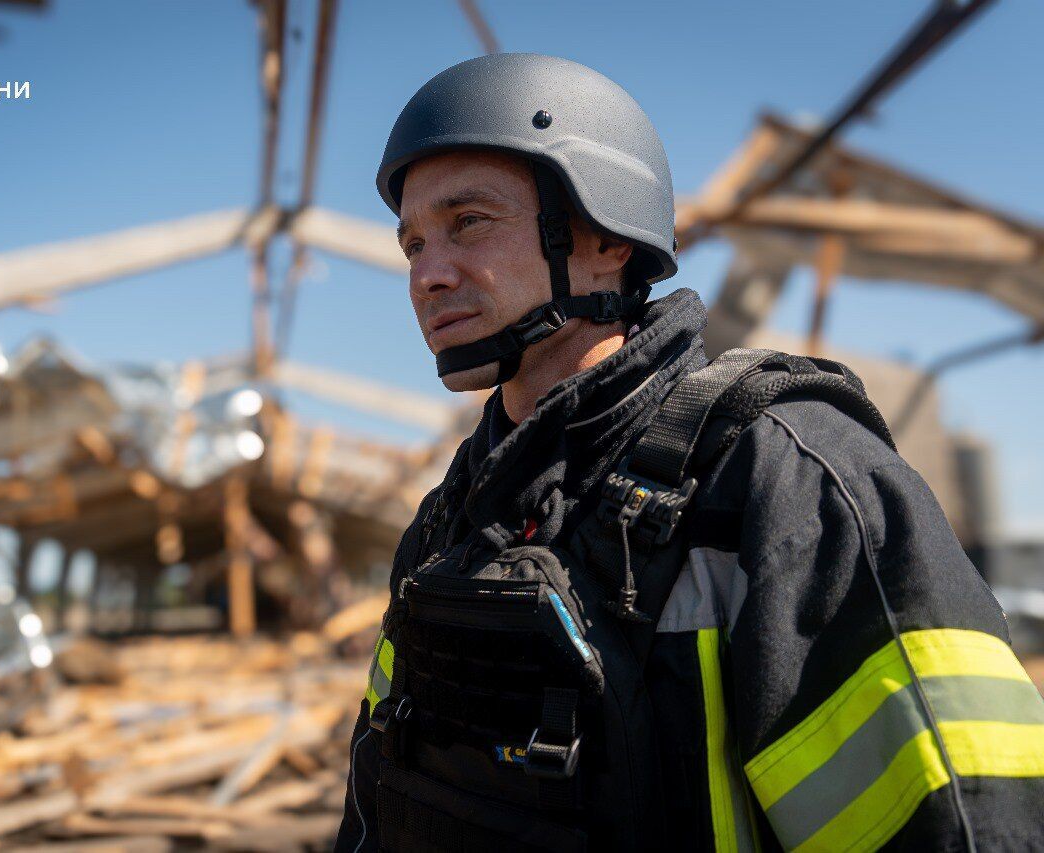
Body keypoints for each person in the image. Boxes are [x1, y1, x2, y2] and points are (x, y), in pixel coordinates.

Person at [335, 53, 1044, 852]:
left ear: (606, 237)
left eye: (468, 222)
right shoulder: (450, 520)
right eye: (413, 245)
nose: (427, 276)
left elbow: (964, 828)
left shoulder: (785, 481)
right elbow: (375, 800)